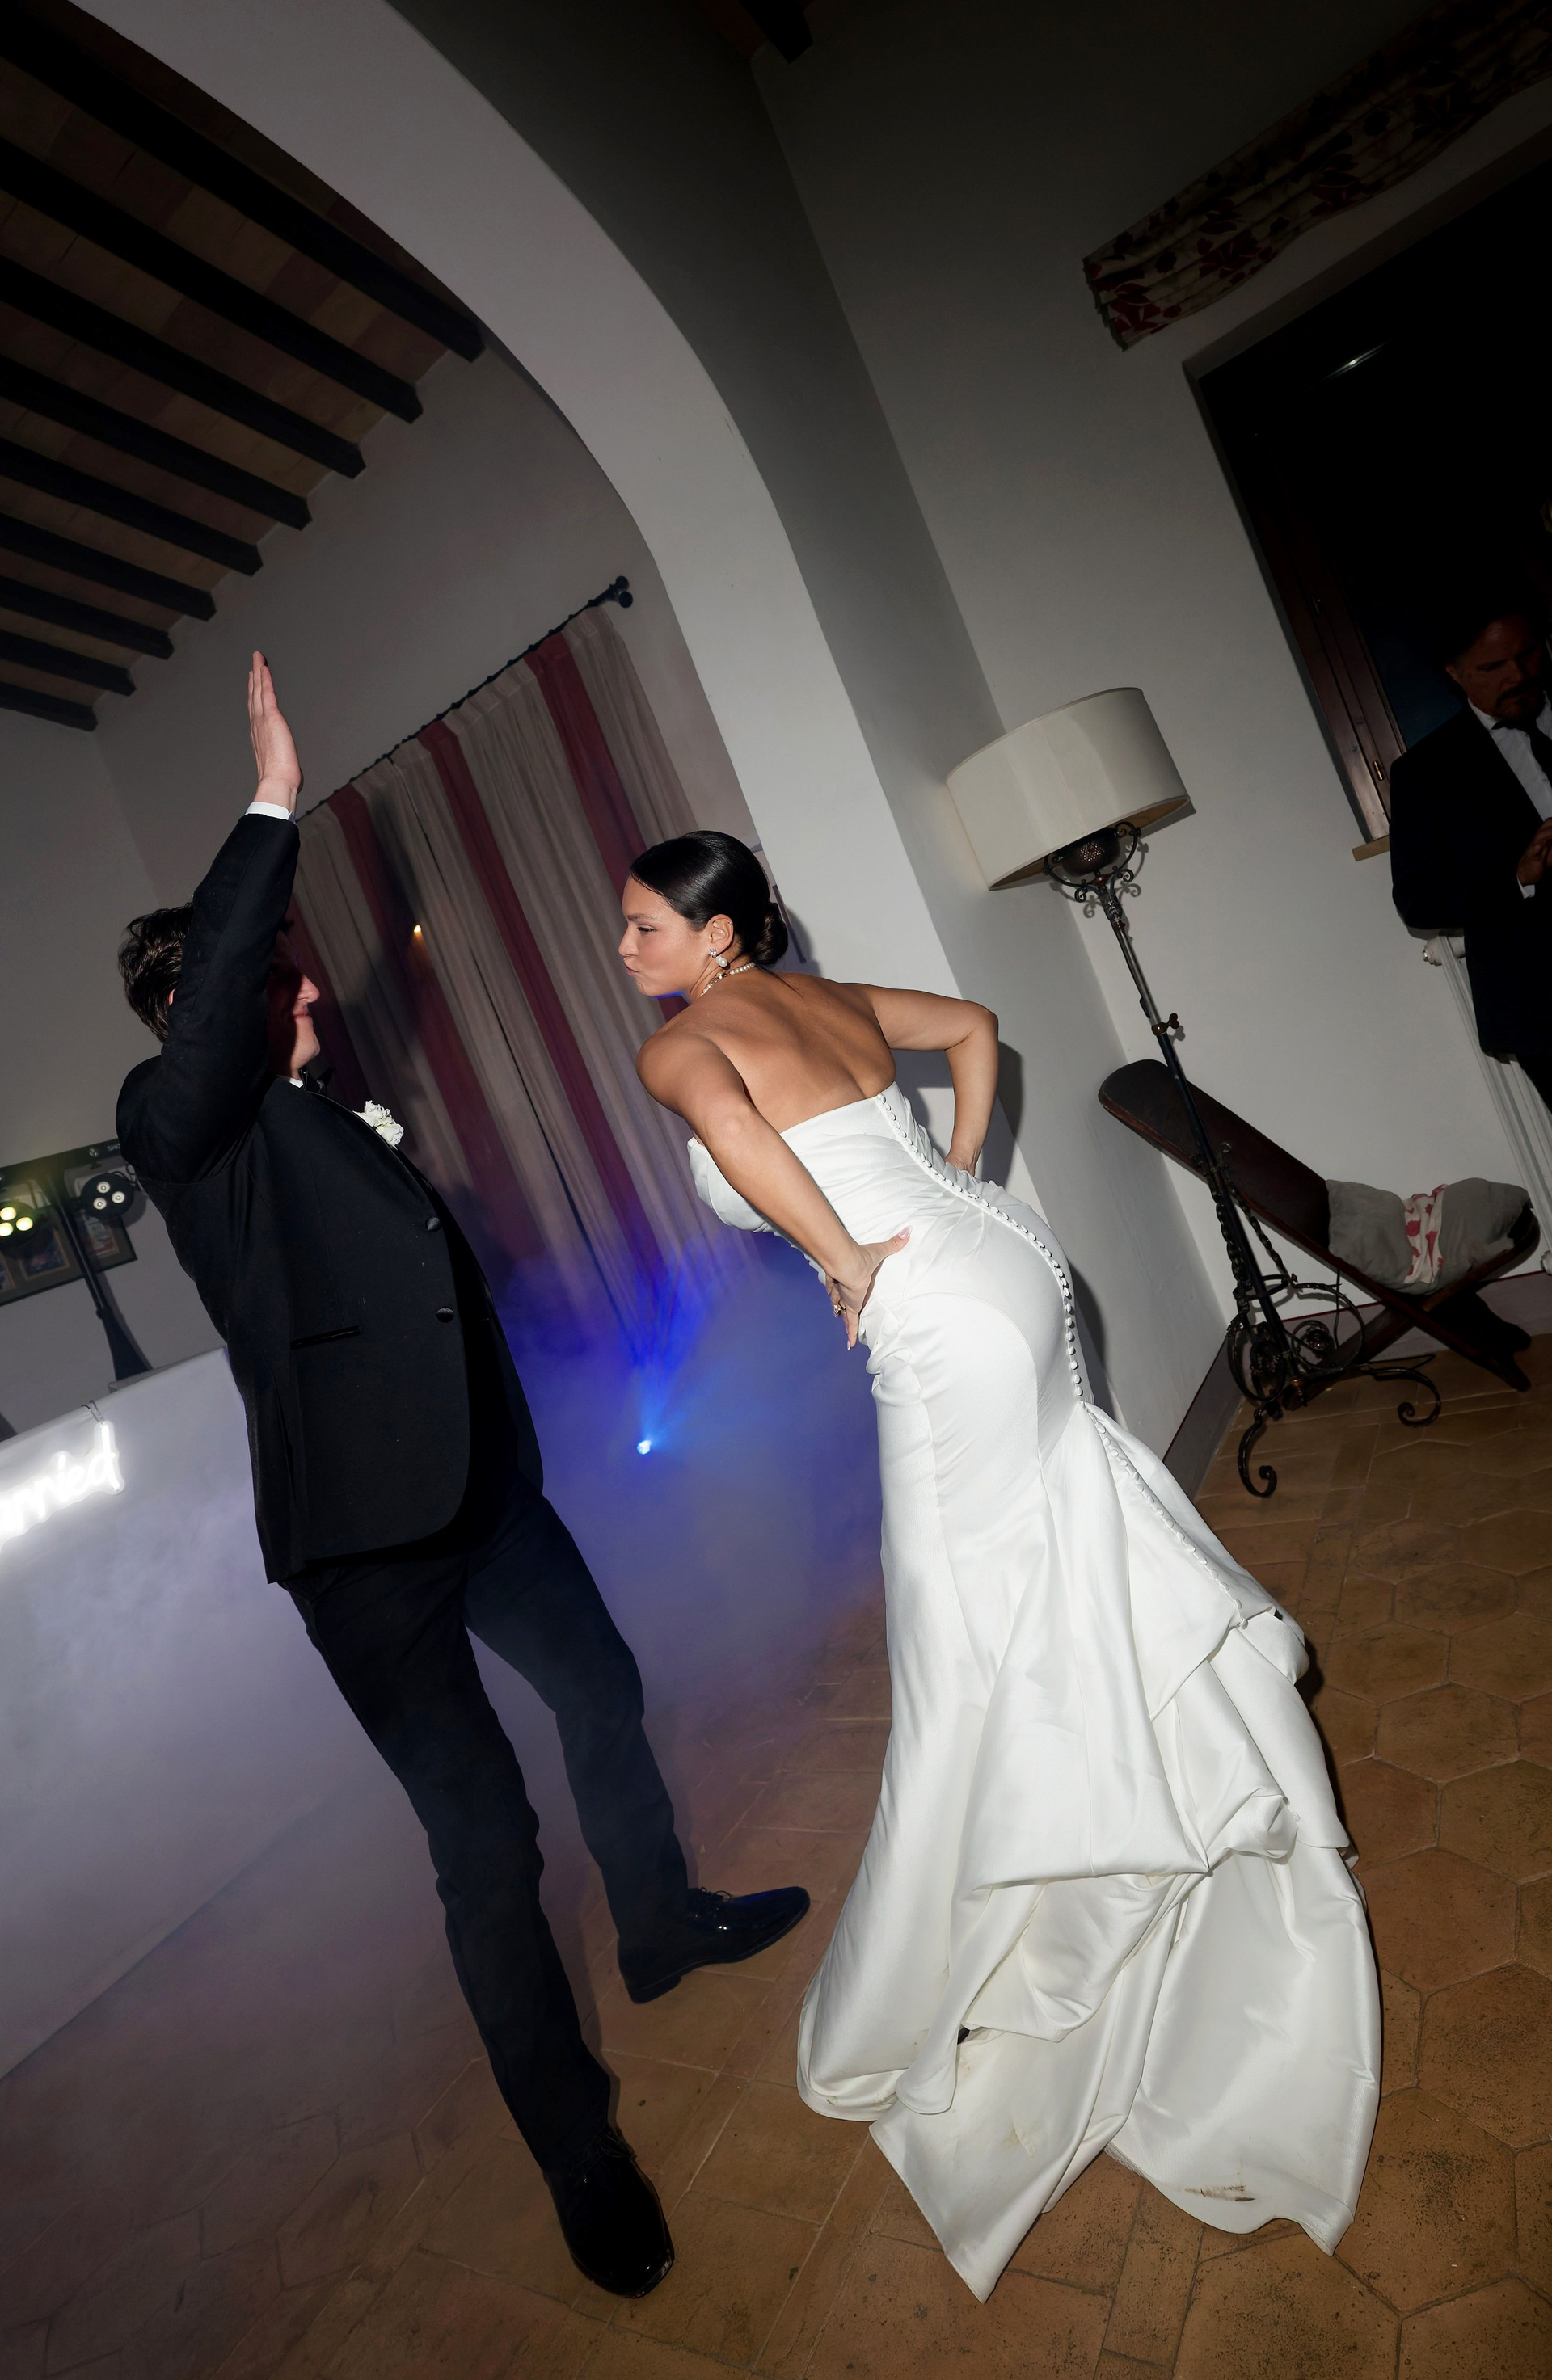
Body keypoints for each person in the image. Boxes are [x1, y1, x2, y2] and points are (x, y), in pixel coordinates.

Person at [115, 659, 808, 2301]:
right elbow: (218, 1016)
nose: (305, 988)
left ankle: (658, 1922)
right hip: (367, 1562)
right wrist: (272, 794)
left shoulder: (314, 1113)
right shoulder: (182, 1125)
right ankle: (579, 2152)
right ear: (207, 1003)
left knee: (605, 1688)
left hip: (488, 1500)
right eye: (274, 971)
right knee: (486, 1846)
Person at [622, 828, 1380, 2302]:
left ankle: (1029, 1893)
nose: (627, 949)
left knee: (954, 1628)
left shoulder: (682, 1046)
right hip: (1014, 1266)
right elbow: (975, 1028)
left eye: (646, 924)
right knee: (1039, 1550)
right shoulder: (830, 996)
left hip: (938, 1321)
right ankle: (1119, 1795)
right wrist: (956, 1178)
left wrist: (845, 1260)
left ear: (717, 937)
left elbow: (741, 1137)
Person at [1390, 587, 1552, 1106]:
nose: (1519, 675)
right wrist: (1516, 877)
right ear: (1455, 673)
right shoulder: (1424, 774)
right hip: (1544, 1005)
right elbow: (1417, 898)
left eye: (1528, 653)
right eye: (1493, 667)